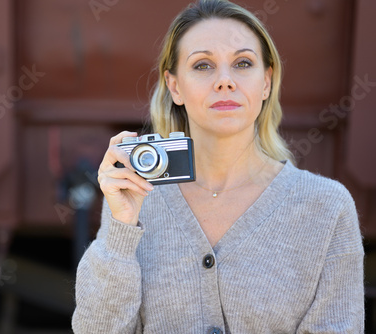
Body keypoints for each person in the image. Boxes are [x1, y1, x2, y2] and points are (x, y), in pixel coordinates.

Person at [72, 0, 365, 333]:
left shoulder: (326, 209)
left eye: (242, 63)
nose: (225, 81)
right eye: (202, 66)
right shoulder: (139, 199)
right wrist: (121, 229)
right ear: (174, 86)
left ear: (266, 82)